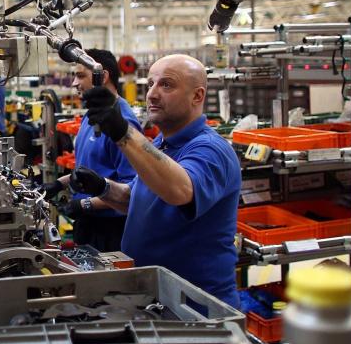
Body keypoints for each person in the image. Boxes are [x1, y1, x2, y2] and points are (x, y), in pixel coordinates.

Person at [68, 54, 241, 306]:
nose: (152, 94)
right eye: (150, 84)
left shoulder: (210, 149)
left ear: (197, 96)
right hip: (156, 295)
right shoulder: (162, 143)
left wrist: (122, 132)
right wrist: (102, 187)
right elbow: (135, 199)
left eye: (166, 85)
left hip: (197, 306)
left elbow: (180, 191)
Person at [41, 49, 139, 252]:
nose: (74, 83)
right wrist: (58, 184)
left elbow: (132, 191)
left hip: (111, 231)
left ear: (101, 76)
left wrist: (85, 204)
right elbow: (87, 168)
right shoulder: (91, 115)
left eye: (80, 76)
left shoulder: (123, 124)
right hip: (88, 225)